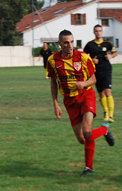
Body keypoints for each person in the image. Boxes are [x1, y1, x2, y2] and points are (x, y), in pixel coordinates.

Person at [47, 29, 114, 176]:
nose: (70, 45)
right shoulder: (52, 60)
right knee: (82, 139)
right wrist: (55, 103)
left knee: (87, 131)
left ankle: (88, 167)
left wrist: (83, 84)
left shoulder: (83, 57)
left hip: (86, 95)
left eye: (71, 42)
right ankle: (104, 130)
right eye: (66, 43)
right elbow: (53, 82)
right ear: (59, 44)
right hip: (69, 101)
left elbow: (93, 79)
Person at [83, 24, 117, 122]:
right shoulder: (90, 45)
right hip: (95, 71)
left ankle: (111, 116)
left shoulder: (108, 43)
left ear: (102, 32)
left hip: (106, 70)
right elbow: (84, 57)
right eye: (96, 31)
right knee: (101, 94)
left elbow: (115, 52)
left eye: (100, 30)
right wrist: (91, 60)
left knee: (108, 92)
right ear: (94, 32)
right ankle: (105, 112)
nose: (98, 32)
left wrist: (111, 56)